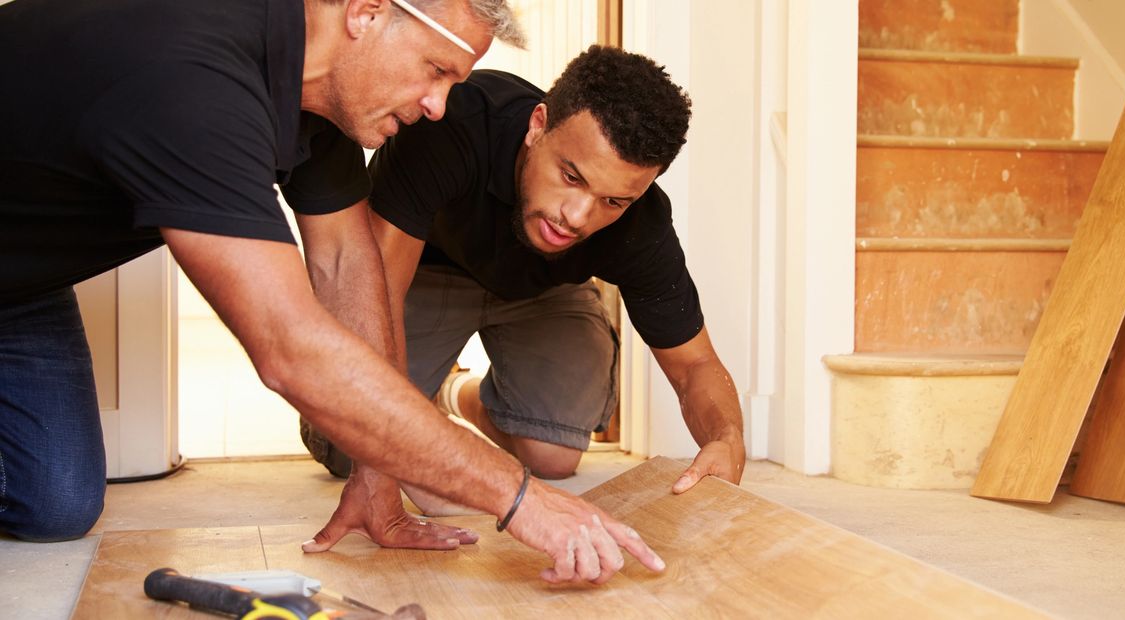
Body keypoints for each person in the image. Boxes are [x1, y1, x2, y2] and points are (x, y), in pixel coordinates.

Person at [0, 0, 664, 586]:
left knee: (57, 505)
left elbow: (347, 261)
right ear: (367, 11)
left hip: (24, 289)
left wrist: (377, 474)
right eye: (435, 70)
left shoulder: (314, 93)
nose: (438, 106)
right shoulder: (191, 74)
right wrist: (522, 498)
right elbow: (291, 348)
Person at [303, 45, 747, 516]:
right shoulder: (453, 125)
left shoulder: (642, 224)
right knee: (352, 448)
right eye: (571, 177)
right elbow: (375, 296)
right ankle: (416, 406)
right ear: (538, 125)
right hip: (428, 272)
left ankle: (452, 393)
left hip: (544, 290)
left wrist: (727, 438)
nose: (576, 217)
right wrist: (421, 457)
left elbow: (695, 365)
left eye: (613, 201)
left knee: (550, 456)